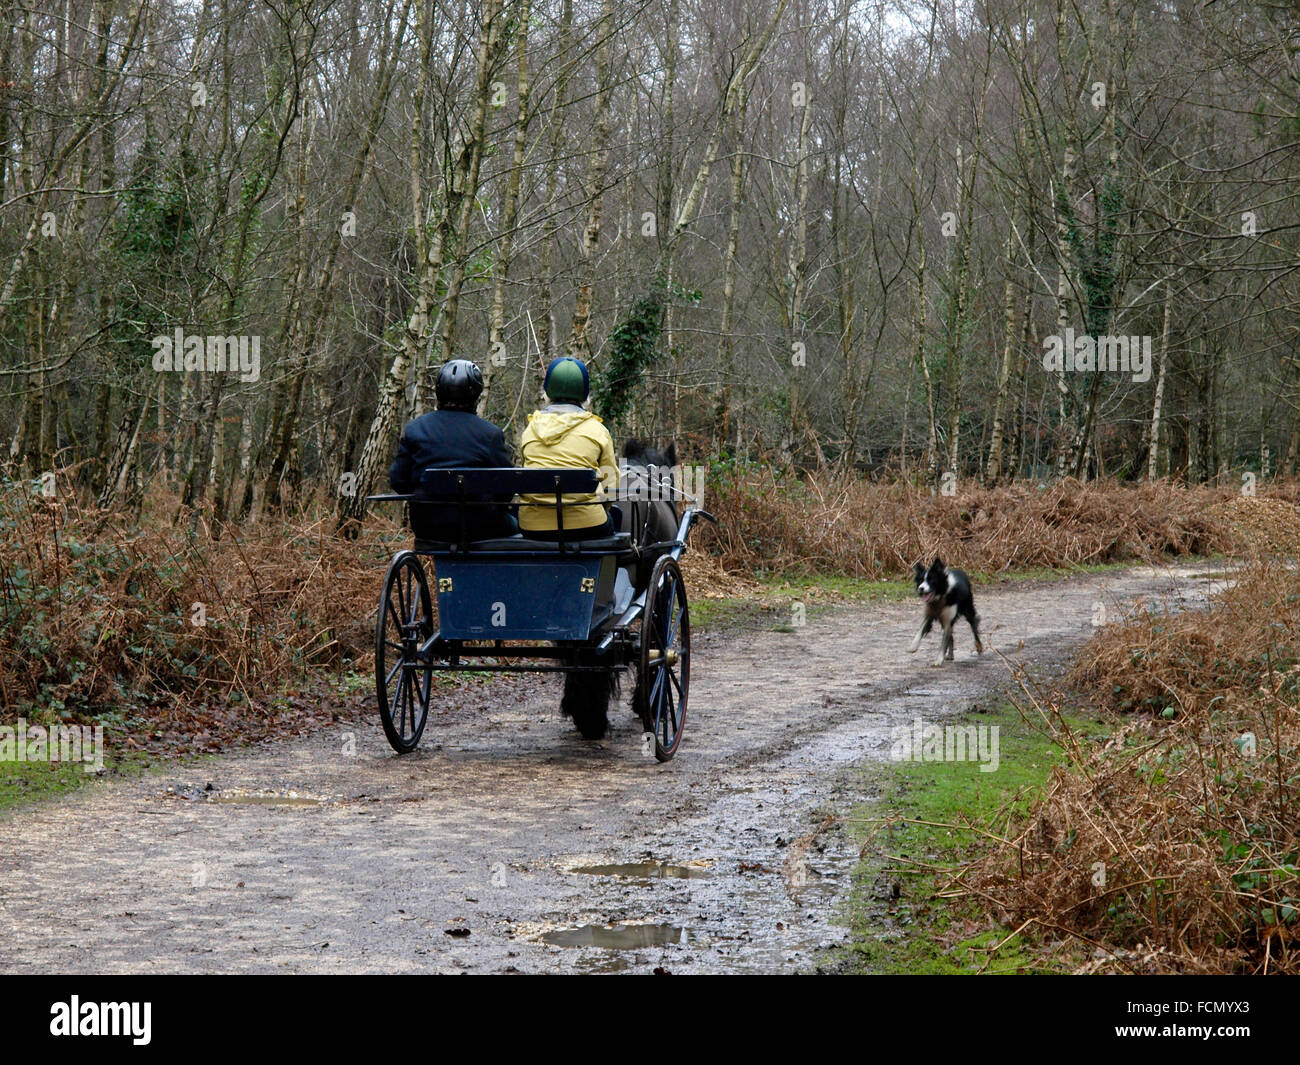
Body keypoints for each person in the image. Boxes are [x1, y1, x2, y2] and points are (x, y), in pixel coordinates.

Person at [389, 359, 517, 541]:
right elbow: (506, 487)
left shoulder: (415, 429)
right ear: (475, 397)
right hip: (481, 526)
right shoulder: (490, 434)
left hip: (428, 526)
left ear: (439, 392)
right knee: (516, 524)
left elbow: (398, 480)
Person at [518, 357, 618, 540]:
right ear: (586, 394)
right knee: (616, 516)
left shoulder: (530, 430)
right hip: (587, 525)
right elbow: (611, 486)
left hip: (533, 526)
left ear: (547, 392)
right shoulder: (598, 430)